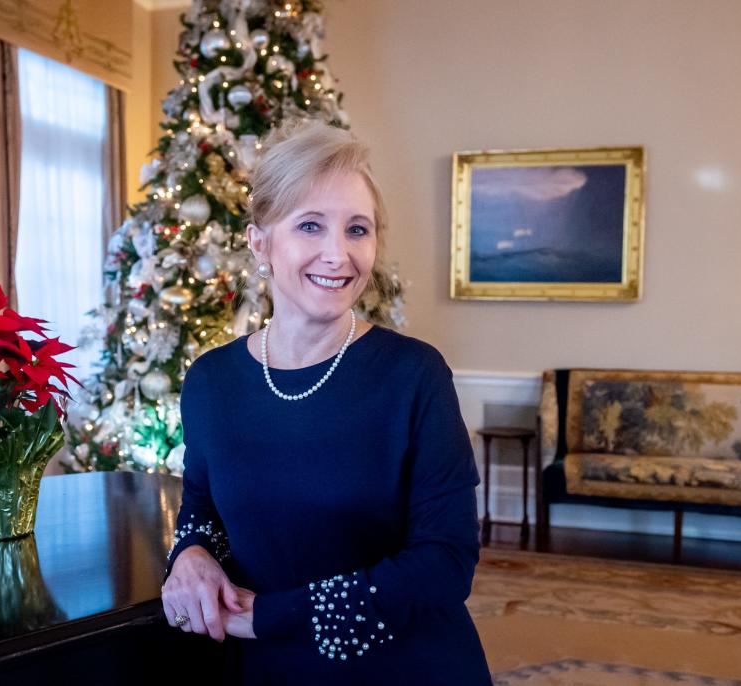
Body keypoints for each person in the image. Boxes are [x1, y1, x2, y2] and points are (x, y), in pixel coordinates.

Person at [160, 118, 493, 685]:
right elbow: (202, 510)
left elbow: (446, 562)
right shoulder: (211, 382)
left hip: (405, 667)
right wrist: (189, 554)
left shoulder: (414, 374)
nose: (338, 254)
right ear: (259, 241)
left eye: (357, 230)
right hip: (265, 668)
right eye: (310, 225)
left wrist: (273, 616)